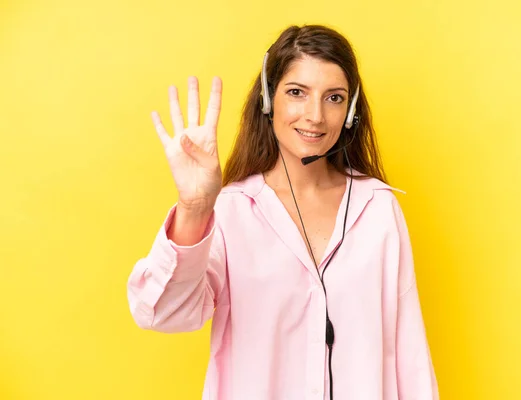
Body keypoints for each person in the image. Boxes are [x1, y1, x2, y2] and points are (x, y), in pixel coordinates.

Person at [127, 24, 439, 400]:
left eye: (334, 98)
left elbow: (409, 355)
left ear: (351, 111)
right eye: (296, 92)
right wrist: (194, 208)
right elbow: (161, 313)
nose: (316, 115)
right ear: (268, 101)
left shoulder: (379, 209)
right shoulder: (230, 211)